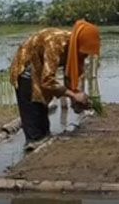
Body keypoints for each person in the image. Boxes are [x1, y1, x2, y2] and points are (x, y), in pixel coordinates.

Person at [9, 19, 100, 150]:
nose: (85, 56)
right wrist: (73, 95)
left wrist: (76, 99)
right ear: (79, 44)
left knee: (43, 119)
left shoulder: (73, 50)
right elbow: (47, 80)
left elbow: (70, 76)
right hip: (27, 72)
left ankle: (41, 142)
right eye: (84, 52)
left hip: (40, 73)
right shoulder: (55, 42)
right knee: (34, 118)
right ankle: (32, 148)